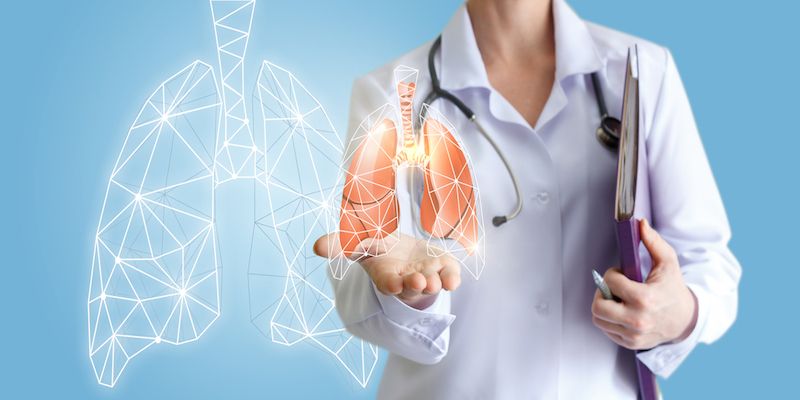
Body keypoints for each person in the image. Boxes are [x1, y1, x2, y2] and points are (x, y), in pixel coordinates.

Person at [314, 0, 741, 398]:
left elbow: (706, 261)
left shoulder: (643, 71)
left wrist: (679, 310)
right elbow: (361, 297)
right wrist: (410, 293)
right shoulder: (391, 91)